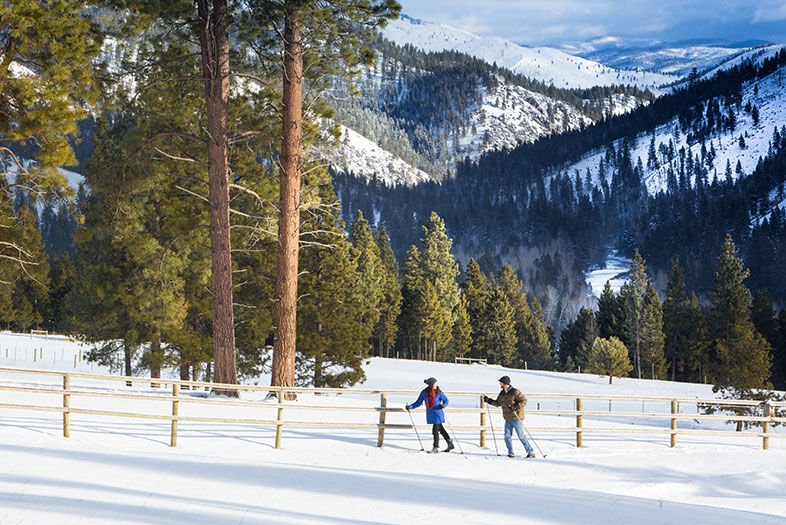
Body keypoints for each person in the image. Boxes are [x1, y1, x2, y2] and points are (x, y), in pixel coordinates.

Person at [484, 375, 536, 458]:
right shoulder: (502, 393)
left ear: (505, 383)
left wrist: (515, 406)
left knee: (521, 435)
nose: (500, 384)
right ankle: (511, 452)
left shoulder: (515, 392)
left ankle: (530, 452)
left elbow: (524, 401)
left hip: (516, 417)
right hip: (507, 418)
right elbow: (498, 403)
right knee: (507, 436)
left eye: (501, 382)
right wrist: (489, 401)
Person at [406, 377, 455, 453]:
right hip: (431, 414)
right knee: (441, 430)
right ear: (432, 384)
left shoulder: (438, 392)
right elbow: (418, 402)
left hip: (438, 413)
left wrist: (443, 405)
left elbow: (446, 400)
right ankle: (450, 443)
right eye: (435, 383)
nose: (437, 384)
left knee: (435, 431)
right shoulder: (424, 392)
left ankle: (435, 447)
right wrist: (410, 407)